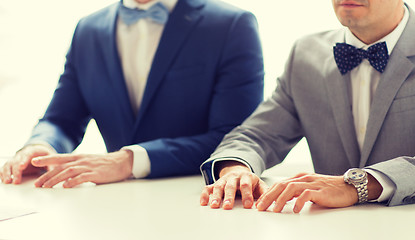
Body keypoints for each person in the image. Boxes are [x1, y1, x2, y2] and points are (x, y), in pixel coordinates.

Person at [0, 0, 264, 187]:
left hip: (198, 199)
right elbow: (61, 120)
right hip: (114, 204)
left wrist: (130, 160)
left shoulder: (231, 26)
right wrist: (40, 148)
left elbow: (235, 138)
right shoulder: (88, 29)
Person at [200, 0, 415, 213]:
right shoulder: (306, 54)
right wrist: (236, 168)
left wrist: (359, 185)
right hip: (328, 227)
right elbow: (257, 135)